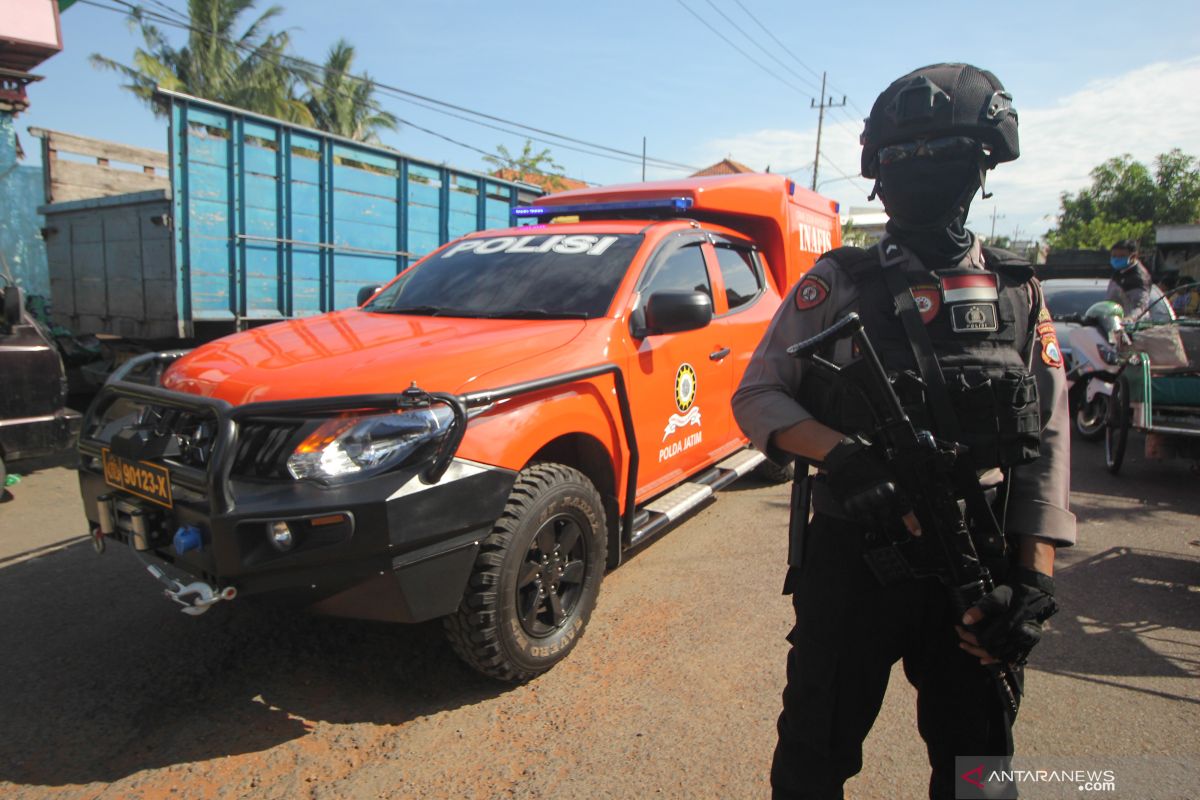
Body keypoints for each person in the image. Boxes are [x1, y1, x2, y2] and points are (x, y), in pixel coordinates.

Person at [732, 63, 1076, 799]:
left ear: (981, 166)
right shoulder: (839, 281)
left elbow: (1046, 441)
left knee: (979, 770)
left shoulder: (1018, 293)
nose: (918, 174)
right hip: (856, 558)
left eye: (941, 155)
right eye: (899, 159)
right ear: (877, 176)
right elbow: (759, 395)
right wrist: (844, 457)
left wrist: (1033, 579)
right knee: (812, 760)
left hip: (976, 563)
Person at [1107, 240, 1166, 322]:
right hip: (1115, 322)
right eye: (1114, 256)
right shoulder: (1119, 272)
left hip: (1132, 326)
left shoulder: (1138, 278)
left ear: (1133, 256)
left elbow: (1140, 305)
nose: (1117, 259)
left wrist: (1130, 319)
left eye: (1121, 256)